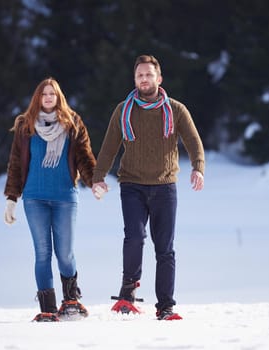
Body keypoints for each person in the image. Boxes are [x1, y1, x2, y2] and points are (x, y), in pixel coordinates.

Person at [91, 55, 205, 321]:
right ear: (135, 80)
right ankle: (127, 293)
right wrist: (98, 177)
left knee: (165, 248)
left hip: (165, 186)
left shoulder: (176, 110)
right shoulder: (123, 110)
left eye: (149, 75)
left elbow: (194, 142)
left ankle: (165, 306)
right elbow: (109, 148)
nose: (144, 79)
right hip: (131, 184)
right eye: (139, 75)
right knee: (134, 237)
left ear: (159, 79)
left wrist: (198, 167)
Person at [3, 77, 96, 322]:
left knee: (65, 252)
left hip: (65, 197)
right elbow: (15, 164)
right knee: (42, 253)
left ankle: (71, 300)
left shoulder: (72, 123)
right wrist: (11, 199)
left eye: (52, 94)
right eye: (43, 94)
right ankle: (47, 308)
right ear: (37, 97)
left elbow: (84, 157)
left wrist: (94, 181)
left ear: (58, 97)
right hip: (34, 199)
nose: (47, 98)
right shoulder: (26, 126)